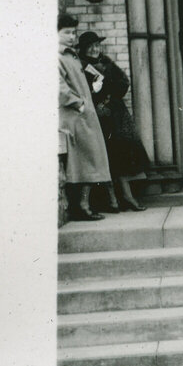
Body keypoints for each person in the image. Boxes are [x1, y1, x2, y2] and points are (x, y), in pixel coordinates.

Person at [78, 31, 150, 212]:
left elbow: (123, 83)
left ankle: (127, 197)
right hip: (96, 116)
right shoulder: (81, 66)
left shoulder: (106, 63)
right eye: (91, 46)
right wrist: (96, 93)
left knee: (122, 155)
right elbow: (81, 93)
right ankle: (110, 200)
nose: (95, 49)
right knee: (104, 157)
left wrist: (110, 90)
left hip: (116, 115)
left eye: (97, 45)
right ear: (84, 49)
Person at [58, 13, 111, 221]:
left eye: (74, 32)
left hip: (84, 115)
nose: (72, 36)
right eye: (67, 32)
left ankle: (84, 204)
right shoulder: (57, 57)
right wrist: (79, 104)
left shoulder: (71, 55)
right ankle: (81, 206)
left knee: (90, 158)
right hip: (74, 116)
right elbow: (59, 88)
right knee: (83, 161)